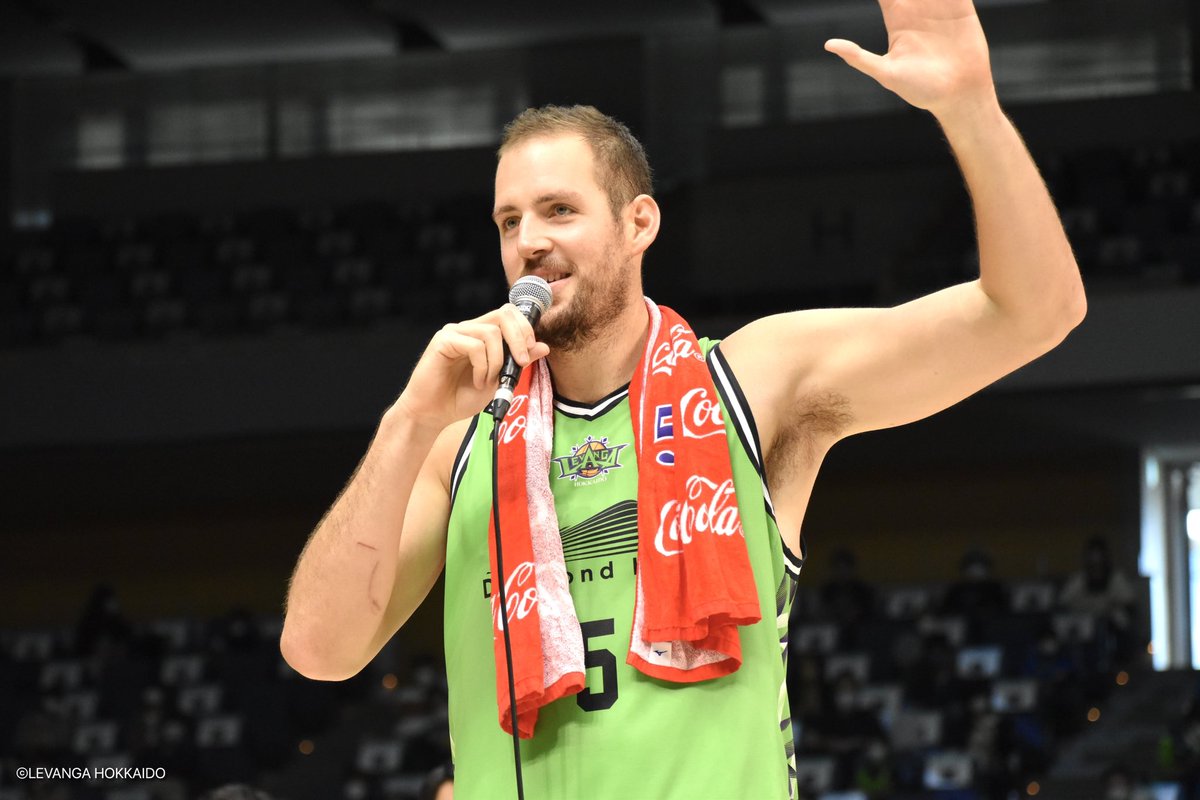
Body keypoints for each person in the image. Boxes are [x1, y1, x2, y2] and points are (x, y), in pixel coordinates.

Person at [280, 1, 1086, 798]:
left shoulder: (754, 383)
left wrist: (970, 108)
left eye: (559, 210)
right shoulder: (457, 443)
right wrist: (407, 423)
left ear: (639, 223)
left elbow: (1036, 313)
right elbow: (318, 652)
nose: (529, 241)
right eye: (508, 221)